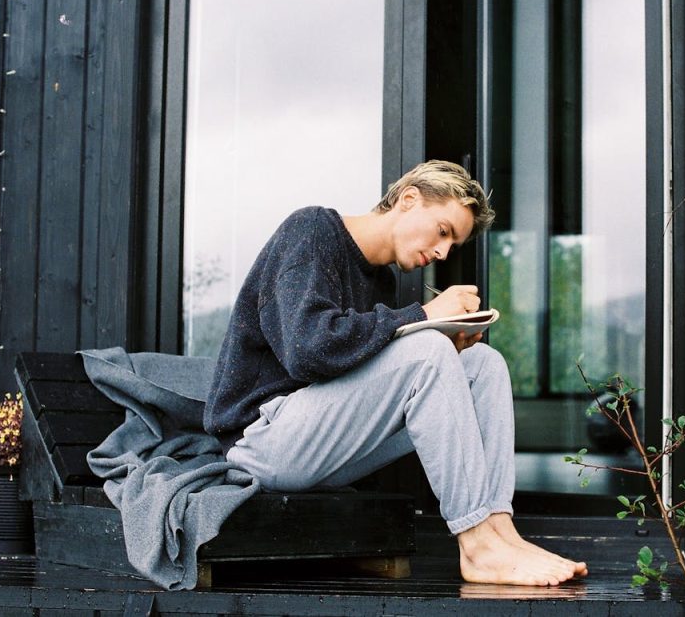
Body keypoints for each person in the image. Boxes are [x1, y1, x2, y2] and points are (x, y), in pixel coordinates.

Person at [204, 160, 587, 586]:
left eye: (452, 244)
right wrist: (423, 317)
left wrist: (443, 338)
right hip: (262, 442)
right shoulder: (311, 231)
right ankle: (476, 546)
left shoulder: (380, 282)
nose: (442, 252)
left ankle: (500, 530)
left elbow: (355, 371)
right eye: (443, 231)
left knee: (482, 365)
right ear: (409, 200)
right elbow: (305, 350)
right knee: (426, 351)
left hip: (321, 444)